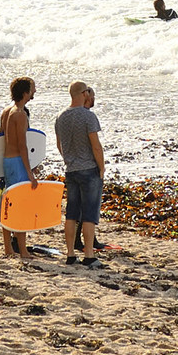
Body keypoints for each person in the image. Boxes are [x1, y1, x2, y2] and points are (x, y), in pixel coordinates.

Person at [55, 81, 104, 265]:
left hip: (71, 168)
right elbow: (95, 146)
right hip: (88, 168)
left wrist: (68, 159)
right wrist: (101, 167)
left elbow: (59, 145)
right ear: (84, 94)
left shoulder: (60, 116)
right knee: (89, 214)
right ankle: (89, 255)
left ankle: (70, 254)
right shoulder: (87, 116)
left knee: (72, 214)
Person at [0, 77, 38, 262]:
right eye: (32, 89)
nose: (35, 92)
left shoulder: (7, 111)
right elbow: (23, 146)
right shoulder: (20, 115)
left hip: (7, 160)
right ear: (25, 92)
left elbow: (0, 137)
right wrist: (30, 173)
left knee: (8, 203)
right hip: (16, 162)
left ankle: (8, 247)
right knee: (20, 205)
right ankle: (22, 250)